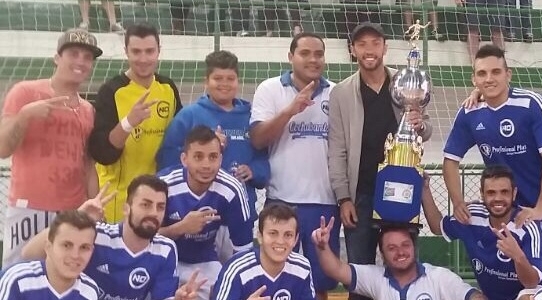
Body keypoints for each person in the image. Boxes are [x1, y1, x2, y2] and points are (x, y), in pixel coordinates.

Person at [328, 22, 432, 300]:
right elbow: (337, 149)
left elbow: (427, 130)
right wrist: (343, 198)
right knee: (359, 279)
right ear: (352, 50)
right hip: (361, 197)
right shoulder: (340, 93)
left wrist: (420, 124)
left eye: (375, 43)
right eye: (361, 44)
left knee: (404, 273)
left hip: (402, 195)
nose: (369, 50)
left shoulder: (406, 82)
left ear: (385, 47)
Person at [0, 28, 102, 269]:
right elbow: (3, 149)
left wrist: (95, 202)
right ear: (57, 57)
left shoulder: (88, 110)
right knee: (18, 275)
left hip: (72, 210)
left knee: (65, 278)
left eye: (87, 57)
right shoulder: (25, 92)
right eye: (74, 53)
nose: (81, 61)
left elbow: (87, 165)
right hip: (30, 206)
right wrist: (26, 115)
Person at [248, 32, 338, 300]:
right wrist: (290, 111)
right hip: (281, 200)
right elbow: (257, 139)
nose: (313, 59)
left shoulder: (336, 92)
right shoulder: (269, 88)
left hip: (324, 201)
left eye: (319, 54)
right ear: (290, 57)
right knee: (273, 275)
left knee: (320, 283)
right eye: (305, 53)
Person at [450, 44, 542, 233]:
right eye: (482, 73)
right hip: (506, 215)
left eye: (496, 72)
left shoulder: (532, 104)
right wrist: (457, 202)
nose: (489, 79)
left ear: (508, 75)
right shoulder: (469, 112)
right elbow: (450, 160)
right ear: (474, 79)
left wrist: (540, 210)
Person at [22, 175, 203, 300]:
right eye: (146, 205)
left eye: (160, 207)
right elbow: (29, 253)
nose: (153, 213)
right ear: (126, 208)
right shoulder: (98, 235)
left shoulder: (166, 250)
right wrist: (76, 218)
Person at [156, 50, 269, 218]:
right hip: (196, 212)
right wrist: (204, 149)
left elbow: (264, 158)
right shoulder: (189, 116)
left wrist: (254, 170)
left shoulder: (251, 116)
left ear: (238, 81)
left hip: (238, 212)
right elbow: (167, 159)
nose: (224, 84)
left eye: (230, 79)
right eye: (217, 79)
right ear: (206, 82)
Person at [89, 23, 183, 224]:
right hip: (119, 200)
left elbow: (181, 138)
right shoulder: (112, 91)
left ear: (159, 51)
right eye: (136, 52)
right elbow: (102, 153)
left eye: (149, 51)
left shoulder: (168, 88)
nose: (143, 59)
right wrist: (128, 123)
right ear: (126, 52)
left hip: (158, 198)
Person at [158, 125, 256, 299]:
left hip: (206, 261)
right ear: (184, 159)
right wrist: (181, 227)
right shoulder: (162, 185)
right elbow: (143, 238)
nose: (206, 165)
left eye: (212, 157)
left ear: (220, 159)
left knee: (229, 289)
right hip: (164, 259)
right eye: (198, 157)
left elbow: (243, 252)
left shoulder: (232, 189)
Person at [422, 165, 542, 300]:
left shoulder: (527, 225)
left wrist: (518, 256)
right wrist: (424, 189)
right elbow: (437, 227)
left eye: (504, 192)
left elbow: (532, 283)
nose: (498, 198)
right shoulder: (473, 215)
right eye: (491, 192)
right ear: (482, 194)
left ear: (514, 193)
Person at [312, 217, 488, 300]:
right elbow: (335, 269)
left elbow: (471, 296)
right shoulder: (377, 278)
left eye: (405, 245)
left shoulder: (438, 277)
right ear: (382, 254)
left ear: (414, 247)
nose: (400, 252)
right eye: (392, 248)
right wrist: (322, 247)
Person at [211, 203, 315, 300]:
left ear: (296, 239)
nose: (280, 241)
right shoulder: (236, 269)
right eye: (273, 233)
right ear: (260, 236)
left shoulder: (302, 267)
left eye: (288, 235)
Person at [0, 210, 100, 300]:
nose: (75, 255)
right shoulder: (18, 281)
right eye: (66, 245)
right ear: (48, 247)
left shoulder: (89, 292)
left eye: (84, 247)